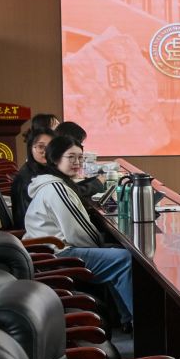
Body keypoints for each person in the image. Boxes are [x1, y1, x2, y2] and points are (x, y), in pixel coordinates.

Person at [19, 132, 133, 320]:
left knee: (116, 253)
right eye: (71, 157)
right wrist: (101, 245)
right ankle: (138, 321)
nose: (77, 162)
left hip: (48, 250)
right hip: (55, 255)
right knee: (123, 259)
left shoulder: (53, 183)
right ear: (55, 159)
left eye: (80, 157)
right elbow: (78, 232)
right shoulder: (56, 188)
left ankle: (127, 318)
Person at [11, 124, 53, 231]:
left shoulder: (43, 170)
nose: (46, 151)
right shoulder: (28, 179)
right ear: (30, 148)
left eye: (51, 147)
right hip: (39, 237)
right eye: (40, 147)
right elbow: (26, 221)